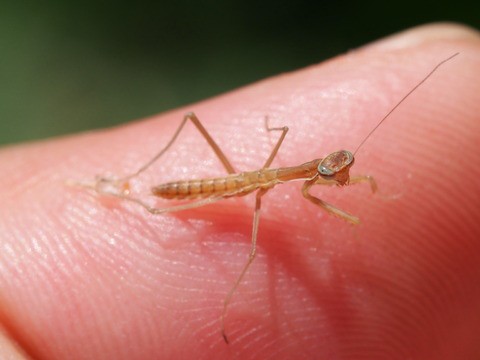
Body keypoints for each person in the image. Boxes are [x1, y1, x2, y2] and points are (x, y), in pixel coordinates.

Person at [0, 23, 479, 359]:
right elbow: (306, 183)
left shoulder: (306, 176)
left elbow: (307, 170)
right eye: (337, 170)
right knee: (215, 232)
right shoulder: (304, 182)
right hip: (217, 187)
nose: (339, 176)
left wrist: (368, 189)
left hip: (245, 181)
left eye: (339, 171)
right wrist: (228, 308)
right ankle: (132, 187)